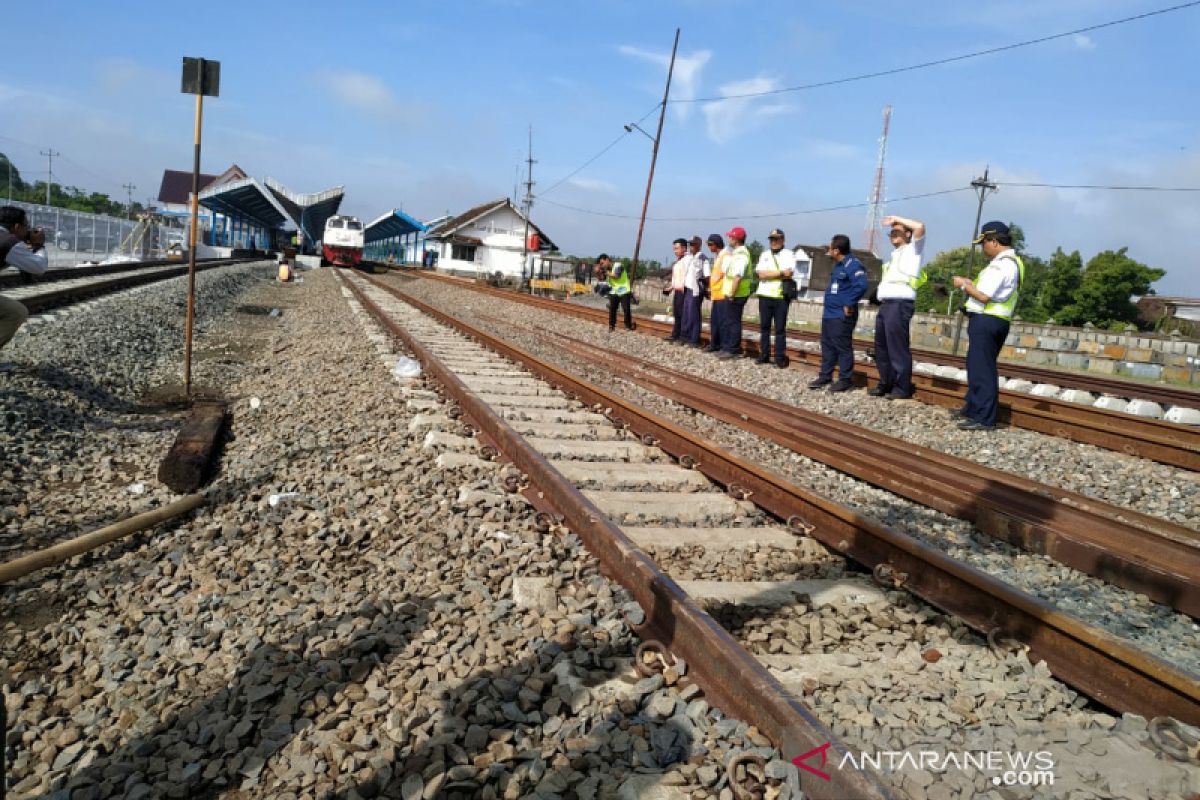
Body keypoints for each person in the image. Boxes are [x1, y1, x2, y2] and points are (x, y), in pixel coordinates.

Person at [952, 221, 1023, 431]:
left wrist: (963, 285)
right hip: (994, 320)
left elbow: (984, 297)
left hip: (988, 320)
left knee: (982, 370)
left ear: (993, 241)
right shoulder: (1013, 262)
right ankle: (974, 409)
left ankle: (984, 417)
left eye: (984, 242)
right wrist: (971, 284)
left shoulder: (1002, 264)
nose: (983, 247)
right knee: (977, 366)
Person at [870, 215, 927, 399]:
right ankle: (885, 382)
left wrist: (896, 218)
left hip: (899, 304)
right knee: (882, 347)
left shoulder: (914, 250)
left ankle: (901, 388)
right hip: (886, 304)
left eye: (898, 231)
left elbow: (920, 225)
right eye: (891, 232)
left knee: (897, 348)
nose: (893, 233)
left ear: (908, 234)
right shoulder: (893, 256)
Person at [809, 234, 867, 391]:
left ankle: (845, 380)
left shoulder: (853, 264)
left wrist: (849, 303)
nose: (828, 251)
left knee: (843, 347)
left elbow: (861, 285)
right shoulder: (839, 265)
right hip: (829, 313)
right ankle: (825, 376)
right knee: (827, 346)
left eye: (830, 248)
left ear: (836, 250)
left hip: (841, 315)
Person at [0, 206, 49, 351]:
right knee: (16, 312)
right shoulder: (8, 242)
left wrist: (27, 242)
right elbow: (38, 267)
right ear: (16, 227)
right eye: (26, 226)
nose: (28, 230)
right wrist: (39, 245)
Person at [753, 228, 796, 368]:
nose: (773, 242)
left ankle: (779, 358)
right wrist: (780, 272)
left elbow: (789, 273)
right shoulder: (764, 254)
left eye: (776, 239)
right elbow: (760, 274)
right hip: (764, 295)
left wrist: (770, 273)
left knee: (779, 329)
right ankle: (764, 355)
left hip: (780, 296)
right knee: (764, 328)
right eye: (771, 239)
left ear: (782, 240)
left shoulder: (789, 254)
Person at [717, 226, 754, 360]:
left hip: (737, 294)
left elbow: (737, 277)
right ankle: (727, 347)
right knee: (729, 321)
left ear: (736, 239)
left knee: (733, 322)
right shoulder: (736, 254)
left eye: (730, 237)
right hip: (733, 293)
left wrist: (732, 294)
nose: (728, 239)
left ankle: (732, 349)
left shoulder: (741, 256)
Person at [681, 236, 707, 346]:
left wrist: (706, 289)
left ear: (698, 245)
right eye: (690, 244)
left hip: (695, 290)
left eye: (693, 244)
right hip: (687, 289)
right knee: (686, 314)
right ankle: (685, 336)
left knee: (694, 315)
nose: (691, 246)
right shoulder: (690, 257)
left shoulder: (702, 258)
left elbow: (707, 276)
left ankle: (694, 339)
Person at [704, 234, 728, 353]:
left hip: (723, 294)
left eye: (710, 244)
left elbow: (723, 274)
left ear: (716, 244)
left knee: (723, 322)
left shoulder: (725, 256)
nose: (708, 247)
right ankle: (715, 344)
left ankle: (723, 345)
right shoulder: (718, 256)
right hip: (716, 294)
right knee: (715, 321)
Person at [600, 253, 635, 331]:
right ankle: (611, 326)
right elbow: (602, 278)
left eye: (603, 263)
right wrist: (599, 272)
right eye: (601, 264)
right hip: (614, 291)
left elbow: (617, 276)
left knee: (626, 309)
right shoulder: (607, 270)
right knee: (612, 309)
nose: (602, 265)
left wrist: (606, 273)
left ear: (607, 260)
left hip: (624, 290)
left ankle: (628, 325)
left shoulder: (618, 265)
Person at [665, 238, 689, 343]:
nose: (675, 251)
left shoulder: (687, 260)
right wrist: (671, 287)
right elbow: (676, 277)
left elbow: (687, 276)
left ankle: (683, 336)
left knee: (683, 314)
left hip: (684, 291)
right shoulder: (678, 261)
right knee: (677, 313)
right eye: (674, 249)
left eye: (677, 248)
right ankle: (675, 335)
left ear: (684, 248)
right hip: (677, 290)